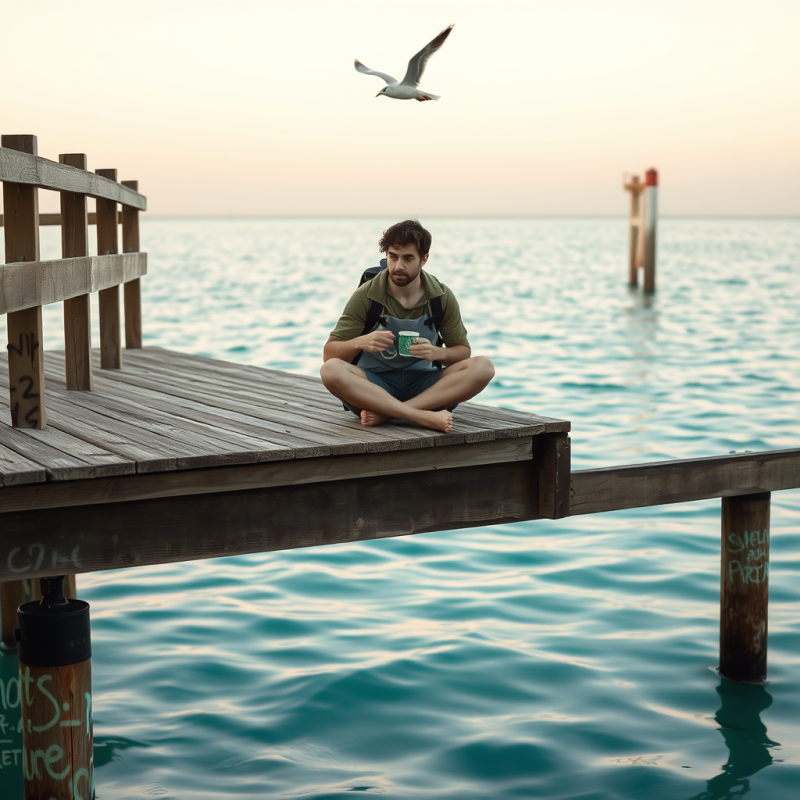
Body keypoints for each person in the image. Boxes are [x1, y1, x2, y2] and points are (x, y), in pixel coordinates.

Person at [320, 220, 495, 433]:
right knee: (330, 370)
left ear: (424, 259)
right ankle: (421, 416)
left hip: (425, 387)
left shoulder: (441, 297)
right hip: (373, 388)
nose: (398, 266)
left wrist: (435, 353)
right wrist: (361, 341)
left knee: (483, 367)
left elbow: (463, 352)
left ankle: (394, 412)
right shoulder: (366, 295)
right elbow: (329, 354)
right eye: (393, 256)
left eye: (408, 258)